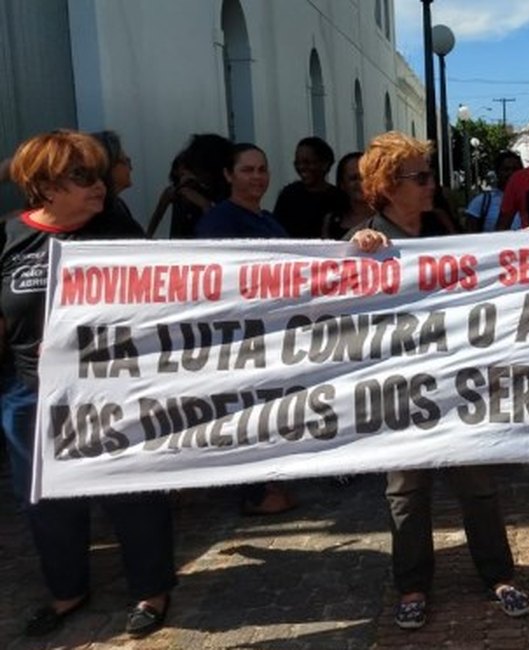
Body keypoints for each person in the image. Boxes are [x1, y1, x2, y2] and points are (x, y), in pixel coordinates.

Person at [348, 131, 529, 630]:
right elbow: (340, 304)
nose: (432, 185)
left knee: (478, 486)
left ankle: (497, 575)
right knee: (406, 492)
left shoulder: (444, 236)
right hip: (401, 392)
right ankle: (411, 585)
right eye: (421, 177)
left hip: (457, 385)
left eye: (430, 175)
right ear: (387, 186)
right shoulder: (366, 244)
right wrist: (357, 250)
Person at [2, 130, 176, 638]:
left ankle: (151, 589)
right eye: (81, 176)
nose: (98, 185)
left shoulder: (115, 231)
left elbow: (159, 302)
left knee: (131, 493)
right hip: (31, 395)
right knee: (43, 498)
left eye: (98, 173)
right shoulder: (10, 237)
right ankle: (67, 591)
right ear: (45, 185)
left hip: (109, 387)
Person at [194, 143, 297, 514]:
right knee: (247, 411)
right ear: (228, 175)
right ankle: (254, 492)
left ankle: (270, 482)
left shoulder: (269, 220)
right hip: (240, 336)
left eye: (262, 169)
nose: (257, 177)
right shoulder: (219, 221)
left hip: (274, 334)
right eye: (247, 170)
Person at [273, 136, 346, 238]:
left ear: (325, 164)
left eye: (307, 162)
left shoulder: (338, 198)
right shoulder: (289, 195)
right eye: (297, 163)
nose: (301, 167)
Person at [465, 150, 522, 232]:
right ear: (497, 172)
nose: (511, 173)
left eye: (515, 169)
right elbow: (471, 234)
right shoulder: (481, 202)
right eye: (506, 169)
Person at [322, 151, 374, 239]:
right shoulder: (331, 220)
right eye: (354, 178)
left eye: (366, 176)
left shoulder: (388, 216)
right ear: (342, 184)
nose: (361, 183)